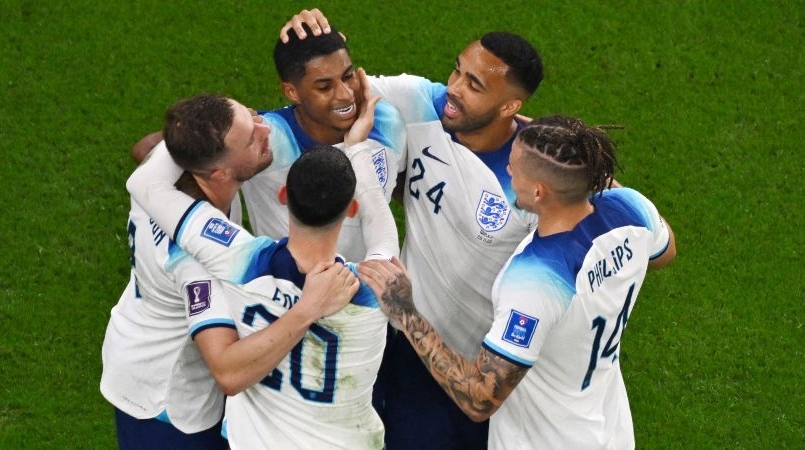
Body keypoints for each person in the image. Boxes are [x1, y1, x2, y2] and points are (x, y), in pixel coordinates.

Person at [283, 10, 543, 448]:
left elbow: (644, 241)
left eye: (474, 85)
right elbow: (336, 91)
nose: (454, 90)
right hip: (412, 345)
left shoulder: (534, 175)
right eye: (458, 71)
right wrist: (311, 40)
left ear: (510, 106)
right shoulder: (422, 100)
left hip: (488, 363)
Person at [359, 116, 677, 450]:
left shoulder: (533, 280)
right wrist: (574, 160)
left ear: (539, 191)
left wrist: (406, 311)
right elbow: (665, 251)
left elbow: (479, 399)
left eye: (514, 168)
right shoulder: (631, 209)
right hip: (609, 430)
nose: (508, 173)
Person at [126, 88, 397, 449]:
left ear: (284, 197)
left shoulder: (236, 259)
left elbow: (143, 183)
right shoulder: (374, 289)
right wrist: (359, 148)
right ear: (351, 209)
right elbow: (381, 231)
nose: (264, 128)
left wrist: (187, 129)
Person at [132, 22, 405, 263]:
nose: (345, 95)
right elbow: (145, 147)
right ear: (291, 92)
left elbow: (400, 177)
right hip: (285, 294)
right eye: (324, 87)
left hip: (361, 291)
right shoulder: (266, 139)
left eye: (347, 76)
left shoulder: (388, 121)